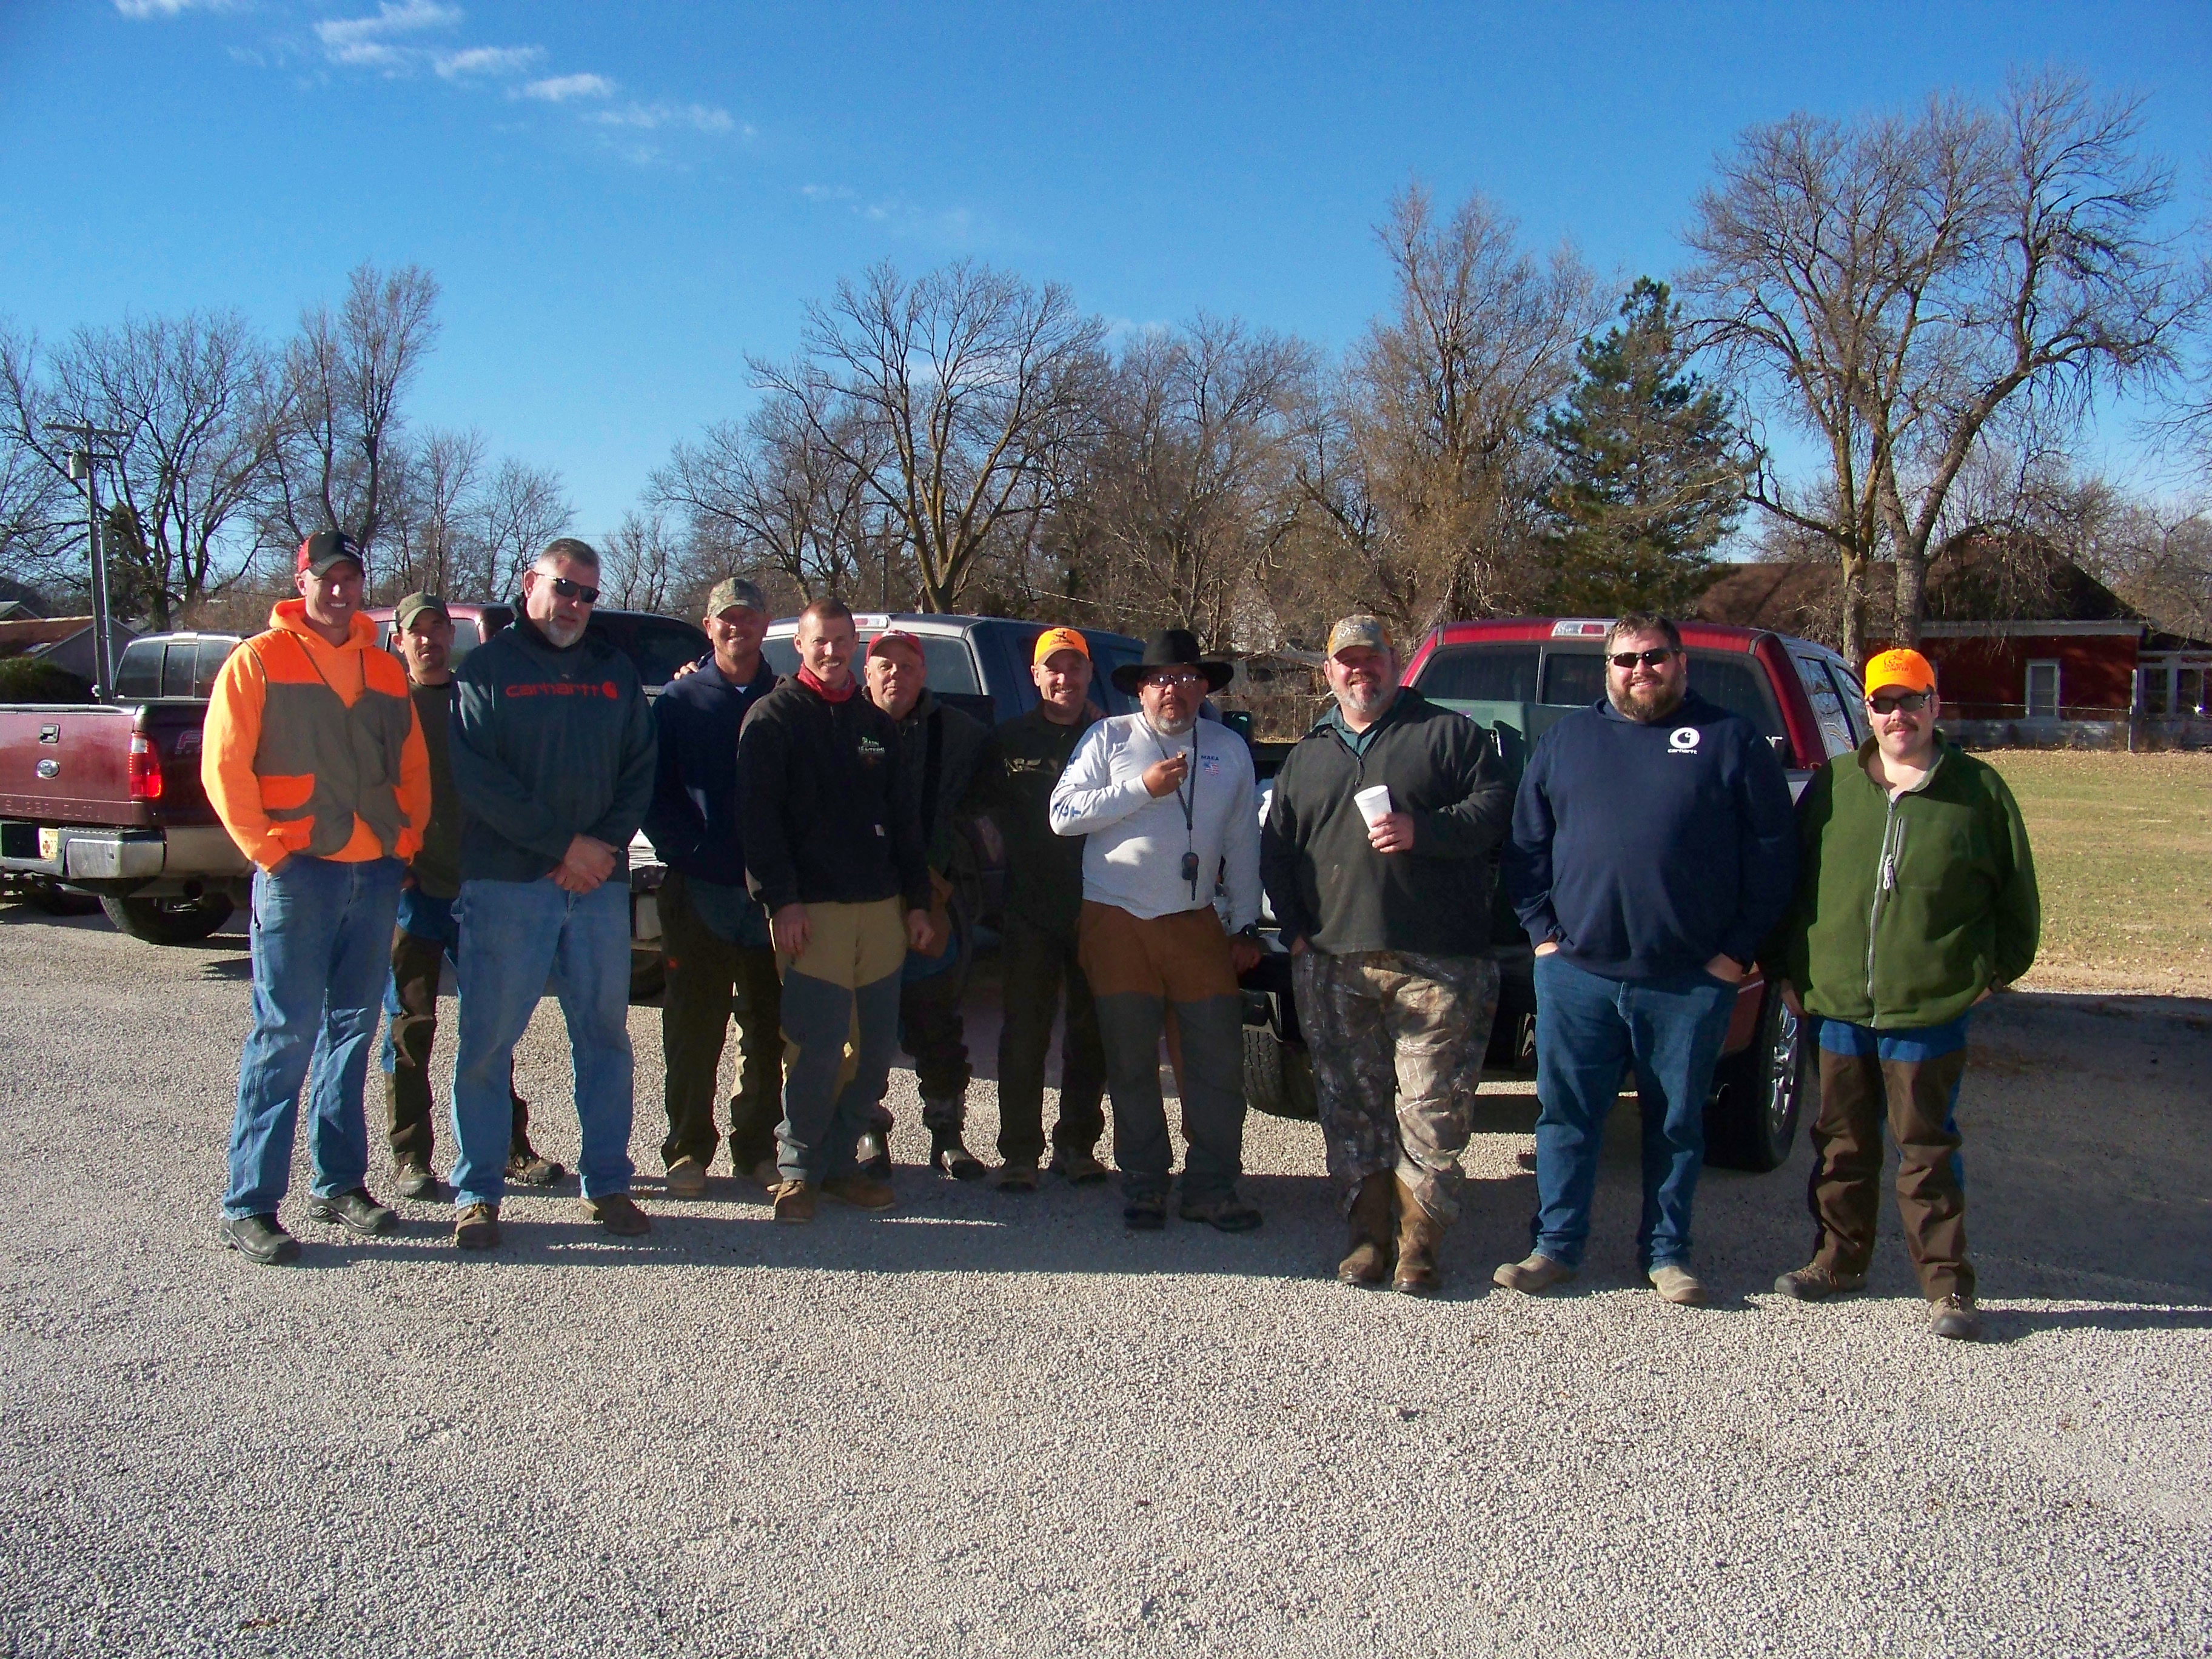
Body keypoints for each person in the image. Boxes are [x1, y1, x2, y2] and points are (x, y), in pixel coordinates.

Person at [1496, 613, 1795, 1304]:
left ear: (1682, 663)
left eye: (1654, 657)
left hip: (1688, 979)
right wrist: (1543, 937)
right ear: (1606, 669)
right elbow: (1526, 845)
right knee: (1565, 1116)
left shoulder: (1731, 740)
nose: (1640, 671)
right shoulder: (1568, 741)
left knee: (1676, 1122)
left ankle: (1667, 1254)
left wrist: (1735, 955)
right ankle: (1555, 1246)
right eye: (1625, 660)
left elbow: (1774, 857)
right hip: (1578, 974)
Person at [1767, 648, 2039, 1341]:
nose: (1898, 716)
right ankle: (1838, 1261)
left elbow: (2017, 899)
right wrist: (1788, 971)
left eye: (1911, 701)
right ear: (1868, 712)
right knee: (1841, 1143)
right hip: (1838, 1004)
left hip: (1929, 1009)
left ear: (1934, 705)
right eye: (1883, 704)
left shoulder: (1978, 792)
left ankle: (1948, 1285)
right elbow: (1792, 884)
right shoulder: (1834, 785)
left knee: (1926, 1148)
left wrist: (1990, 977)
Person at [1261, 615, 1513, 1295]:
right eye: (1346, 661)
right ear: (1328, 672)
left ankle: (1420, 1242)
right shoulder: (1308, 754)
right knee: (1350, 1105)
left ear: (1395, 662)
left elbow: (1496, 807)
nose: (1359, 670)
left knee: (1432, 1106)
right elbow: (1277, 851)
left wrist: (1423, 830)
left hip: (1439, 961)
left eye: (1371, 658)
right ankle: (1367, 1236)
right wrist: (1297, 931)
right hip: (1334, 961)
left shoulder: (1447, 734)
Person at [203, 530, 429, 1264]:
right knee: (285, 1035)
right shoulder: (258, 661)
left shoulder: (385, 669)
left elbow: (411, 766)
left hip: (374, 872)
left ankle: (339, 1184)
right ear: (301, 583)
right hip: (298, 872)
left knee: (352, 1032)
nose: (339, 591)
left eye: (350, 578)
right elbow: (224, 767)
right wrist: (269, 853)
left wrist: (404, 843)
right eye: (326, 578)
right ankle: (249, 1203)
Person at [444, 538, 658, 1249]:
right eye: (564, 588)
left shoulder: (613, 672)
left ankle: (608, 1182)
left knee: (604, 1039)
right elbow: (479, 779)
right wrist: (563, 846)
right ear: (531, 583)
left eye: (588, 595)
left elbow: (640, 768)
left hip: (596, 887)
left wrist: (601, 847)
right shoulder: (487, 669)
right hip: (509, 884)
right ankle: (478, 1192)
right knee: (487, 1043)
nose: (575, 605)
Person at [1048, 628, 1263, 1233]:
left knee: (1216, 1060)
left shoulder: (1228, 749)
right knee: (1131, 1061)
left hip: (1196, 922)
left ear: (1204, 687)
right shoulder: (1108, 738)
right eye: (1163, 679)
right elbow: (1062, 815)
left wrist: (1246, 922)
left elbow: (1243, 840)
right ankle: (1144, 1183)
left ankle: (1212, 1186)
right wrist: (1140, 789)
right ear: (1141, 689)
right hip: (1117, 920)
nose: (1176, 690)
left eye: (1189, 678)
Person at [738, 597, 933, 1221]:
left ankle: (843, 1163)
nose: (830, 651)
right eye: (818, 641)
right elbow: (759, 824)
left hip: (881, 910)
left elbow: (905, 823)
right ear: (798, 645)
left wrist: (918, 904)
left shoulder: (874, 725)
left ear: (855, 645)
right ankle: (799, 1171)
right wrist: (782, 901)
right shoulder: (773, 718)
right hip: (812, 912)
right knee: (817, 1047)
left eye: (840, 640)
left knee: (875, 1050)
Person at [379, 591, 563, 1199]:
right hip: (413, 890)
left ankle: (506, 1147)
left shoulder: (473, 701)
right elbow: (370, 785)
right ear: (399, 642)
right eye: (417, 632)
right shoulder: (389, 707)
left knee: (491, 1028)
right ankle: (411, 1155)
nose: (429, 640)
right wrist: (393, 861)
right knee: (410, 1027)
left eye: (439, 629)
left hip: (478, 889)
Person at [643, 577, 783, 1199]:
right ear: (709, 627)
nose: (737, 627)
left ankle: (757, 1149)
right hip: (698, 889)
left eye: (748, 617)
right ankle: (687, 1149)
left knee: (767, 1029)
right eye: (726, 618)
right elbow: (653, 793)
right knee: (694, 1029)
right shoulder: (678, 701)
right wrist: (690, 852)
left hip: (770, 896)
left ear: (765, 625)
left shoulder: (786, 699)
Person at [973, 627, 1110, 1193]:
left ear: (1089, 674)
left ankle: (1077, 1146)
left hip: (1096, 906)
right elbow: (978, 810)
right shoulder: (1007, 740)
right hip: (1028, 909)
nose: (1064, 678)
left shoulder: (1109, 738)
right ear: (1035, 676)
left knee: (1089, 1032)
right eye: (1053, 668)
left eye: (1074, 667)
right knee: (1024, 1034)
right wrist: (996, 864)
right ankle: (1019, 1153)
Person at [854, 629, 992, 1180]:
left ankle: (947, 1134)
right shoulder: (838, 723)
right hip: (858, 902)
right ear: (866, 673)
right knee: (864, 1028)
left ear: (923, 674)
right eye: (884, 665)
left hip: (929, 900)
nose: (895, 675)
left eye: (907, 666)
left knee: (936, 1022)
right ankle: (866, 1130)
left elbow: (998, 786)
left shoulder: (959, 733)